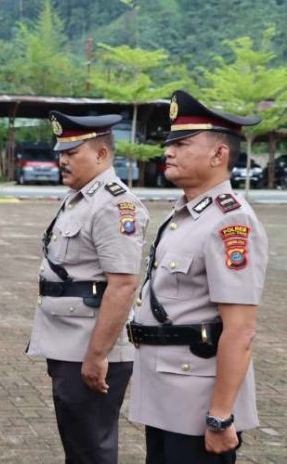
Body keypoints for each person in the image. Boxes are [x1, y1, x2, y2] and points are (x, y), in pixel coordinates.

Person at [127, 90, 267, 463]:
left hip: (197, 405)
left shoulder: (230, 220)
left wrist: (220, 417)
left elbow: (241, 329)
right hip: (166, 393)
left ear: (219, 155)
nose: (168, 152)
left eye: (183, 144)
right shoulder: (187, 214)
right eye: (169, 144)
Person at [27, 110, 149, 464]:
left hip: (92, 348)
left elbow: (123, 285)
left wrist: (96, 356)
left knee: (91, 449)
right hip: (70, 341)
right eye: (61, 153)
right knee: (79, 447)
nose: (62, 160)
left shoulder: (114, 204)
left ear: (101, 154)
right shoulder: (82, 197)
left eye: (71, 152)